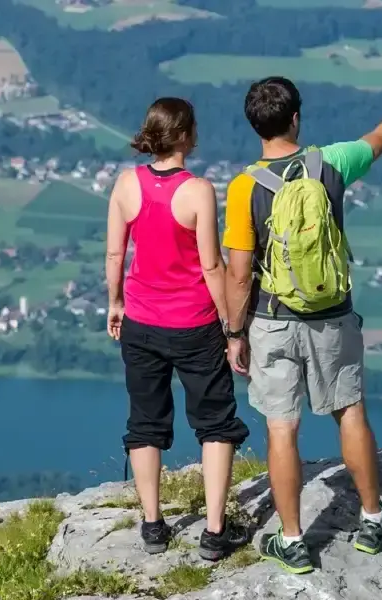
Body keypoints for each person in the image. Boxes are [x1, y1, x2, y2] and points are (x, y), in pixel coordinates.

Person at [221, 77, 382, 574]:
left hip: (273, 320)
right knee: (349, 411)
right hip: (333, 315)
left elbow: (239, 273)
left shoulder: (243, 188)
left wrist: (234, 334)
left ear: (254, 126)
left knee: (282, 427)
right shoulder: (331, 163)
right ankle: (371, 519)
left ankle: (294, 540)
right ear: (296, 117)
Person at [105, 97, 251, 562]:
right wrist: (233, 326)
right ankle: (213, 531)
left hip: (141, 322)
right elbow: (211, 265)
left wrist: (115, 302)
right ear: (187, 135)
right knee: (215, 424)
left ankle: (152, 525)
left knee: (145, 423)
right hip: (195, 325)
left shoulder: (126, 184)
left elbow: (115, 255)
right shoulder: (199, 191)